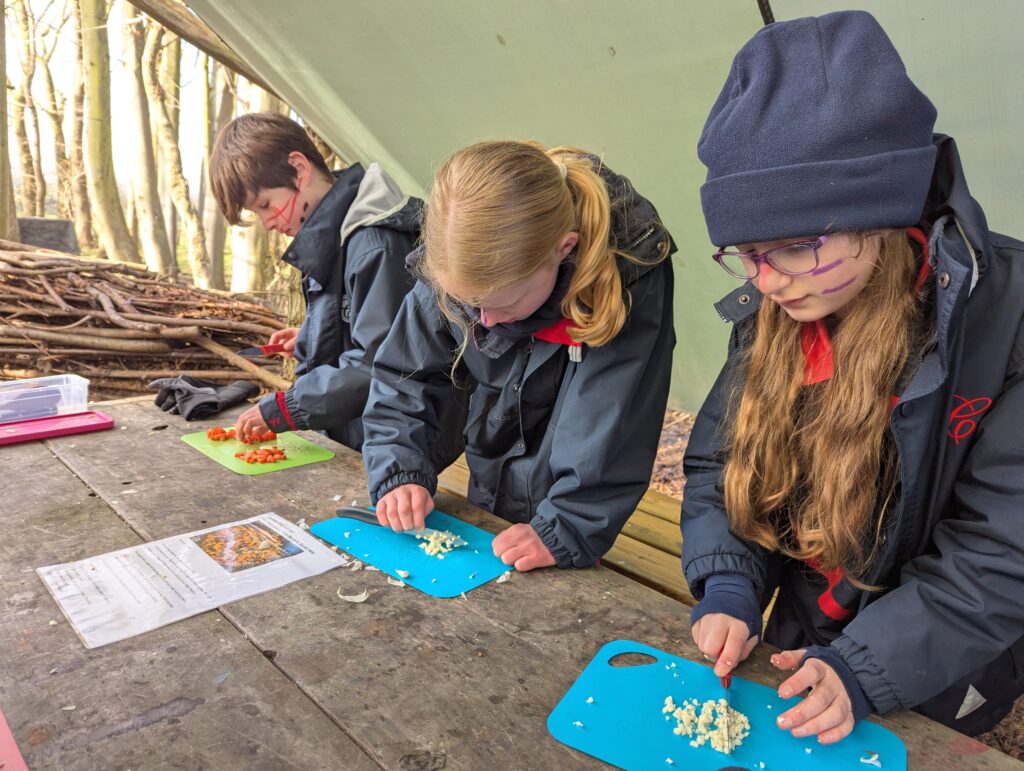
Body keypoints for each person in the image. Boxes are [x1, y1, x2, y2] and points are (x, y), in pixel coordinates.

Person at [681, 10, 1024, 743]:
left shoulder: (1008, 321)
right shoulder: (788, 297)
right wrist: (731, 580)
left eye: (792, 247)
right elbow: (722, 459)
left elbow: (1002, 550)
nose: (764, 280)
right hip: (810, 630)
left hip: (936, 662)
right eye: (742, 253)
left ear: (882, 210)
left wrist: (868, 666)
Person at [362, 141, 676, 571]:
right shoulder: (455, 258)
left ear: (562, 250)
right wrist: (399, 469)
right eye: (467, 304)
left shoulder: (627, 272)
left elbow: (611, 418)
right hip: (493, 468)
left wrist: (565, 527)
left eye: (502, 304)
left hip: (567, 489)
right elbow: (405, 375)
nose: (485, 321)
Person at [209, 113, 420, 450]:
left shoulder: (374, 245)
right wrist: (311, 336)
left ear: (299, 169)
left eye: (264, 205)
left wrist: (286, 409)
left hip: (387, 444)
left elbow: (378, 364)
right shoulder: (334, 235)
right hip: (353, 436)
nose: (266, 223)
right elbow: (360, 323)